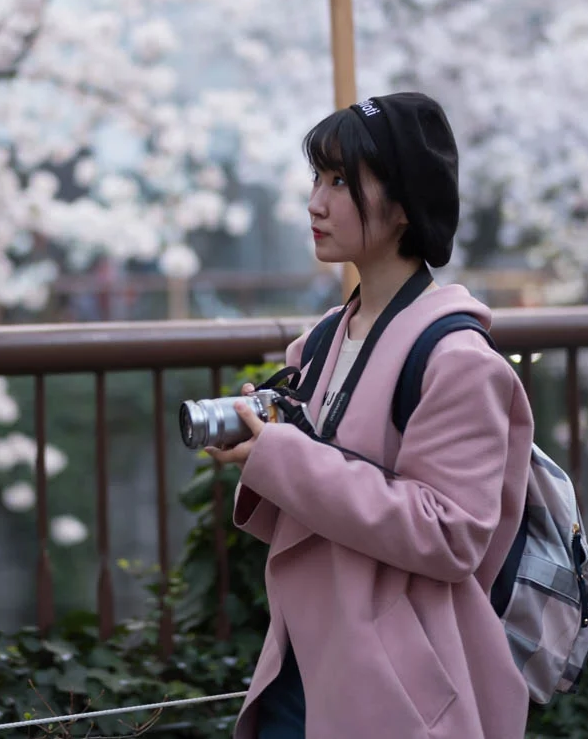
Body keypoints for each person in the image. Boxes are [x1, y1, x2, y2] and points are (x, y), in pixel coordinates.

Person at [207, 92, 534, 739]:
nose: (315, 202)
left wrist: (281, 456)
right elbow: (315, 502)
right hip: (305, 659)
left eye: (339, 180)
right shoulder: (327, 336)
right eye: (316, 178)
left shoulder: (457, 357)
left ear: (403, 204)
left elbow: (451, 534)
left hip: (396, 692)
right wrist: (264, 448)